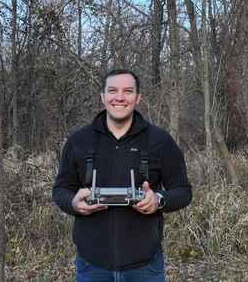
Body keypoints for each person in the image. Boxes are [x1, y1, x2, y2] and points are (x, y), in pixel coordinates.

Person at [53, 69, 192, 281]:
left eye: (128, 91)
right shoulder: (78, 141)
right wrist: (73, 203)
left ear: (137, 98)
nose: (119, 97)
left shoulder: (160, 140)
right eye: (112, 90)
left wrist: (159, 199)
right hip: (92, 265)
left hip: (145, 265)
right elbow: (61, 189)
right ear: (102, 97)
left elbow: (183, 190)